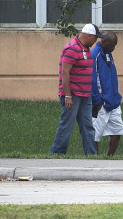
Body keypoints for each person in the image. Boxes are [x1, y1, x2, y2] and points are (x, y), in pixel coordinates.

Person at [50, 23, 104, 155]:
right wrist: (67, 95)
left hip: (85, 95)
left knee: (88, 126)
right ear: (88, 36)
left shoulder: (85, 48)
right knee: (67, 125)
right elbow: (65, 73)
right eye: (95, 38)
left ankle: (91, 154)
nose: (96, 41)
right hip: (72, 95)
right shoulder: (72, 48)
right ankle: (57, 154)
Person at [91, 31, 123, 156]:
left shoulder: (108, 54)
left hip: (114, 101)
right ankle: (94, 159)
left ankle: (109, 158)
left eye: (115, 45)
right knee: (95, 135)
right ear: (103, 42)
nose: (113, 48)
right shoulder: (95, 55)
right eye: (111, 45)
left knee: (117, 130)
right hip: (101, 103)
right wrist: (97, 102)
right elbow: (92, 81)